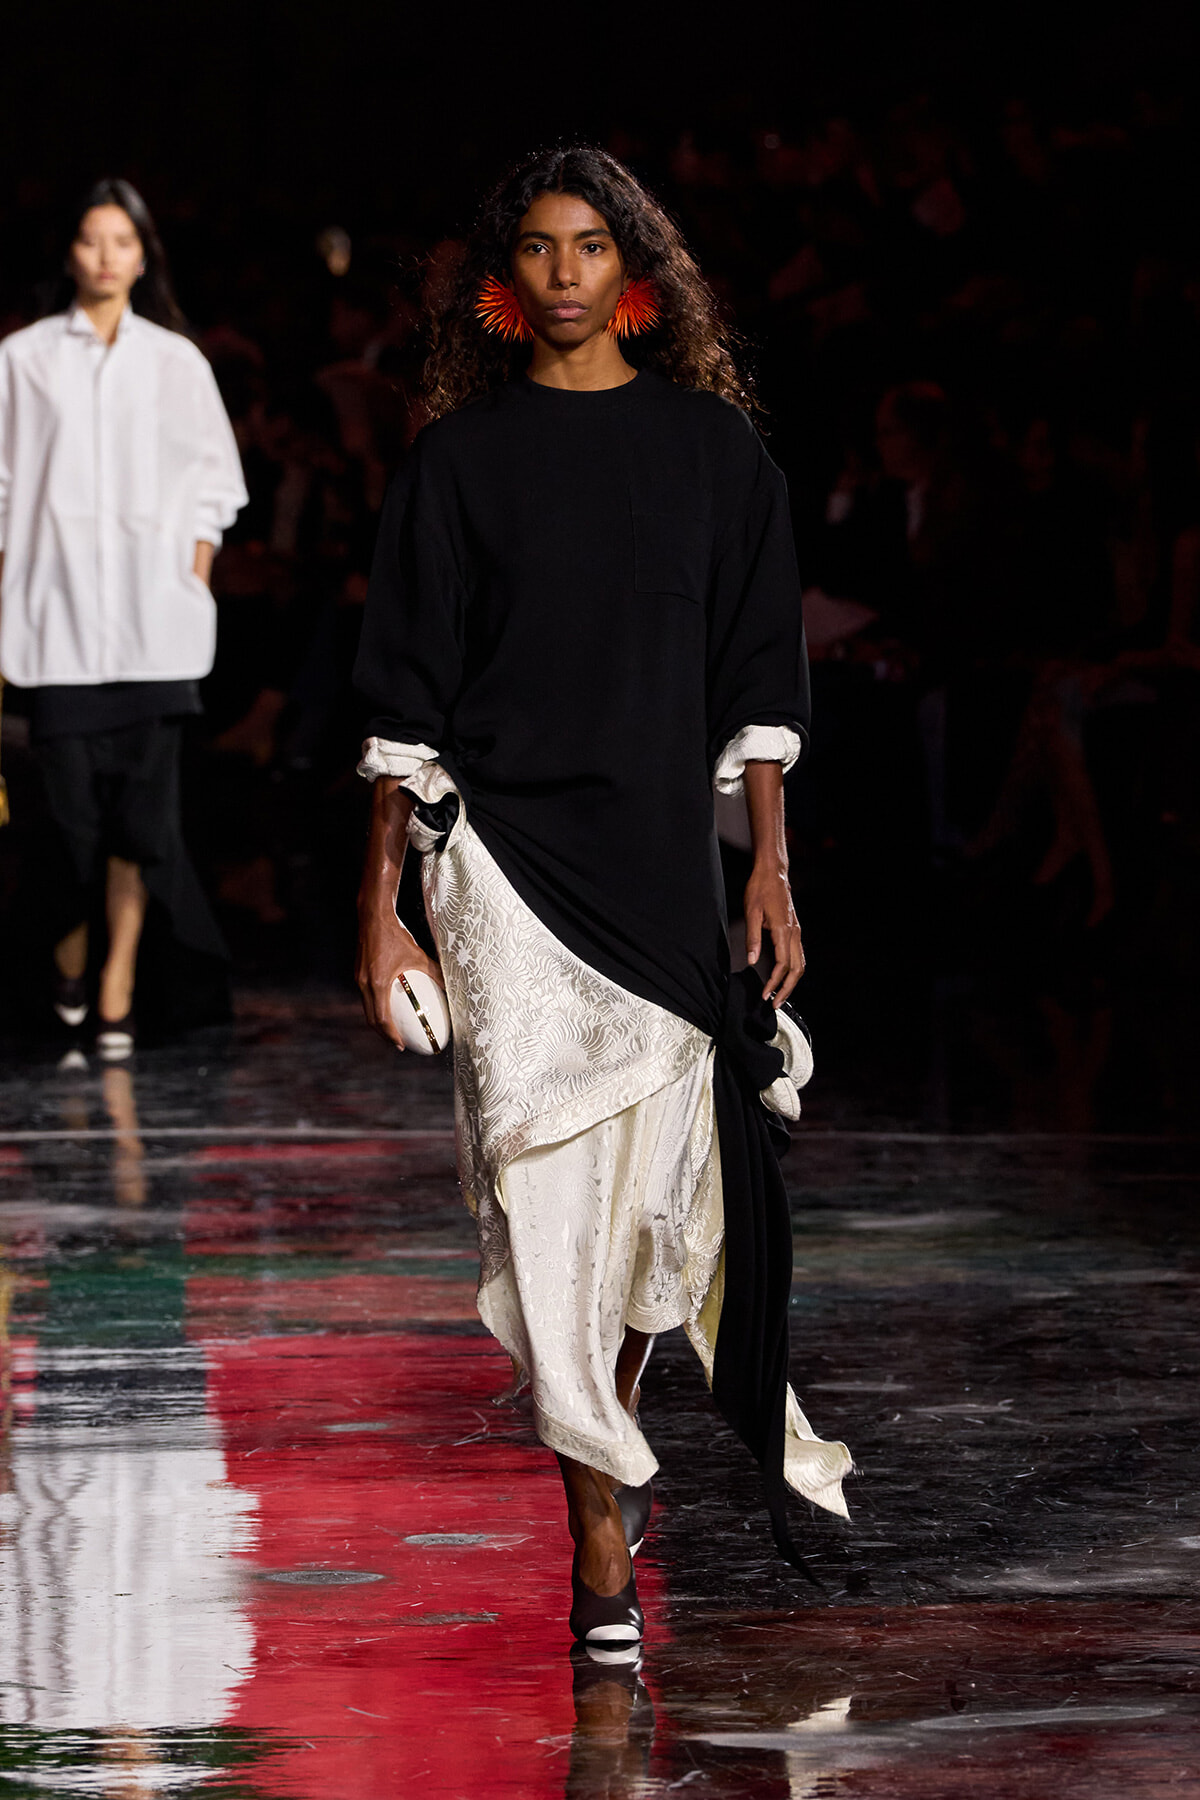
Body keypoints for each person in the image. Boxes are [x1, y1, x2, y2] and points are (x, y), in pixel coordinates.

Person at [355, 145, 851, 1647]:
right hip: (502, 867)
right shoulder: (458, 461)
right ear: (502, 278)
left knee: (649, 1224)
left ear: (634, 267)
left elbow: (758, 677)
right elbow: (405, 701)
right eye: (537, 246)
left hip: (656, 868)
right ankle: (593, 1528)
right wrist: (381, 909)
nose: (563, 271)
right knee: (542, 1197)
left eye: (589, 244)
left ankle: (606, 1433)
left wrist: (770, 868)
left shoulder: (713, 455)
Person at [0, 179, 247, 1054]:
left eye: (123, 241)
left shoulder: (176, 361)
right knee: (69, 830)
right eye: (91, 239)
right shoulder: (24, 358)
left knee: (142, 831)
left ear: (145, 256)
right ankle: (68, 966)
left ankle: (117, 988)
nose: (106, 257)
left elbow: (217, 482)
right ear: (69, 251)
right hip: (55, 632)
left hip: (156, 632)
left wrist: (193, 573)